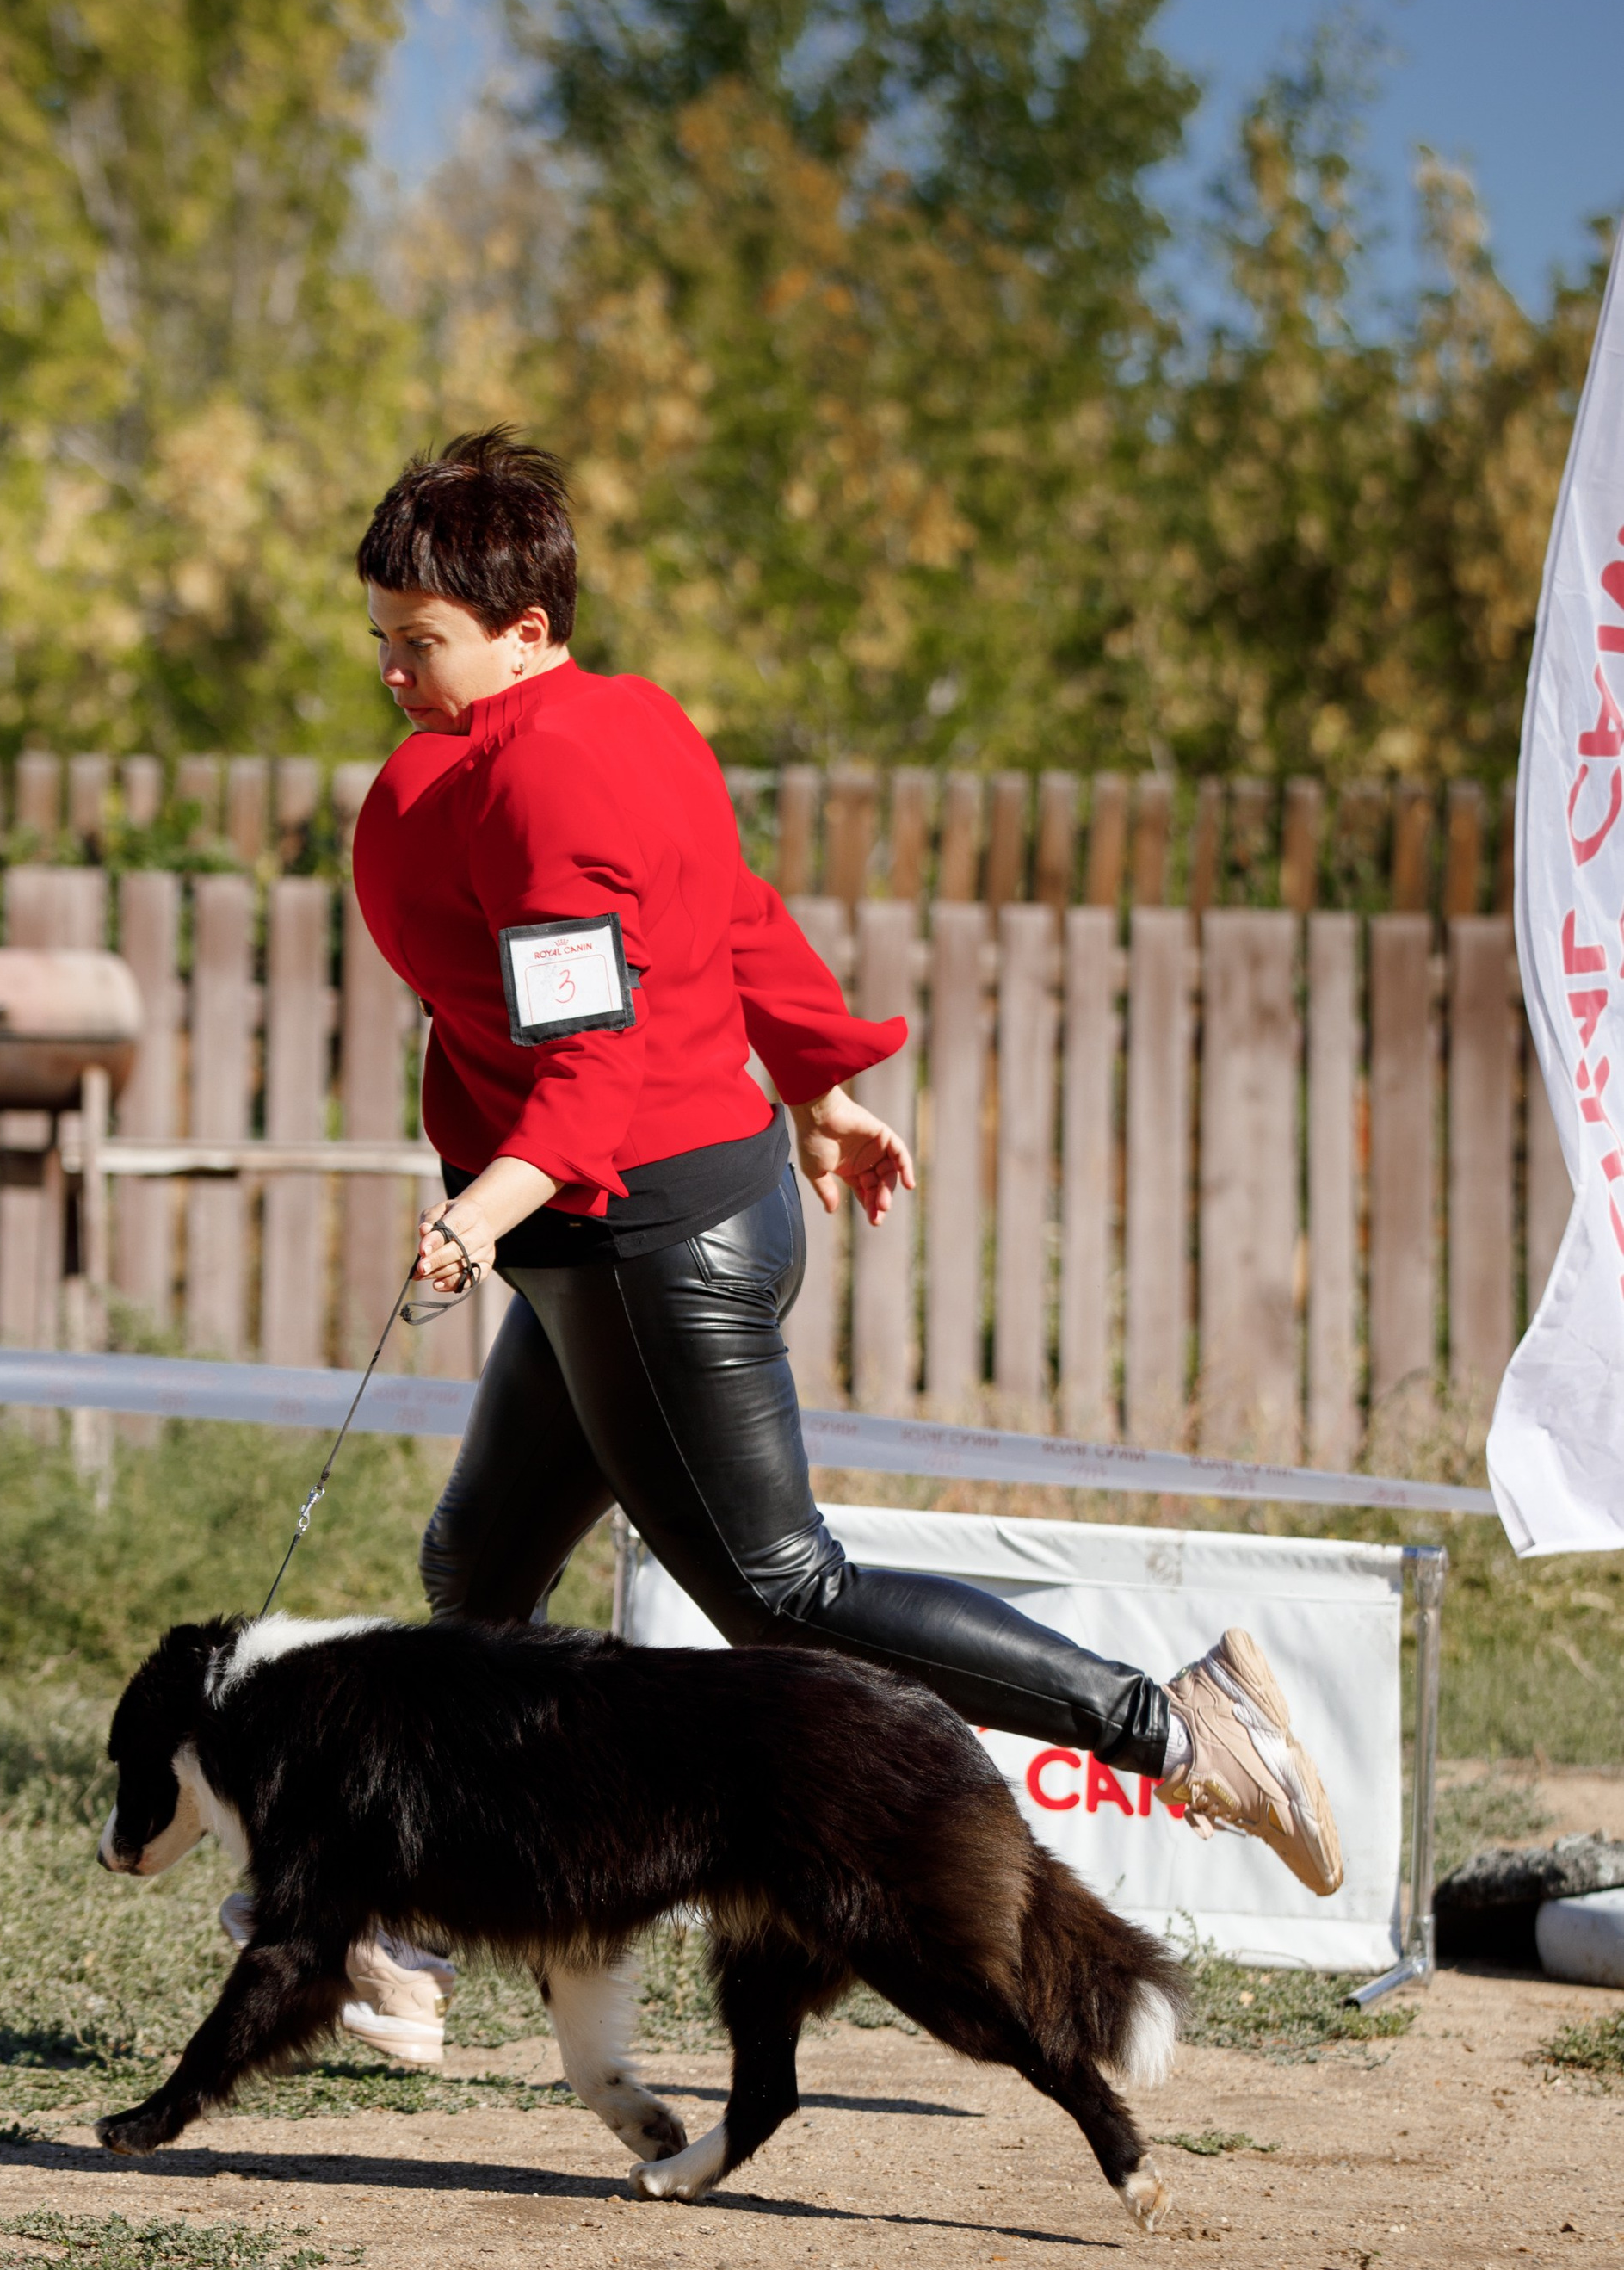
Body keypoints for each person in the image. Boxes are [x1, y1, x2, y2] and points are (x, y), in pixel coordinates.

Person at [325, 429, 1339, 2072]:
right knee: (479, 1574)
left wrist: (476, 1213)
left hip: (644, 1238)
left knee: (783, 1588)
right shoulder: (620, 723)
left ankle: (1180, 1727)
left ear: (524, 626)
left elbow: (586, 1060)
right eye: (378, 637)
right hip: (628, 1225)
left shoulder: (550, 775)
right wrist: (818, 1084)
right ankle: (426, 1917)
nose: (389, 670)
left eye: (417, 640)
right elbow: (731, 916)